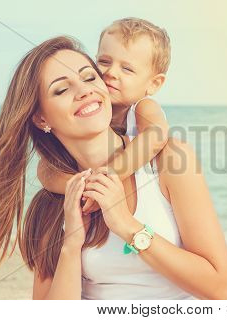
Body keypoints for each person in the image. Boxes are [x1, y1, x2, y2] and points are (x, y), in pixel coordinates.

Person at [0, 36, 227, 300]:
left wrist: (127, 226)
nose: (84, 91)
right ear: (41, 118)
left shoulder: (168, 161)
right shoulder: (50, 203)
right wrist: (71, 245)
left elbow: (218, 289)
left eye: (89, 78)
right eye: (61, 90)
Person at [38, 18, 171, 215]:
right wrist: (87, 188)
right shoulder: (88, 111)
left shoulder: (142, 107)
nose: (111, 73)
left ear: (153, 84)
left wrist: (111, 175)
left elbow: (156, 135)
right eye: (104, 62)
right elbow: (45, 171)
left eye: (127, 69)